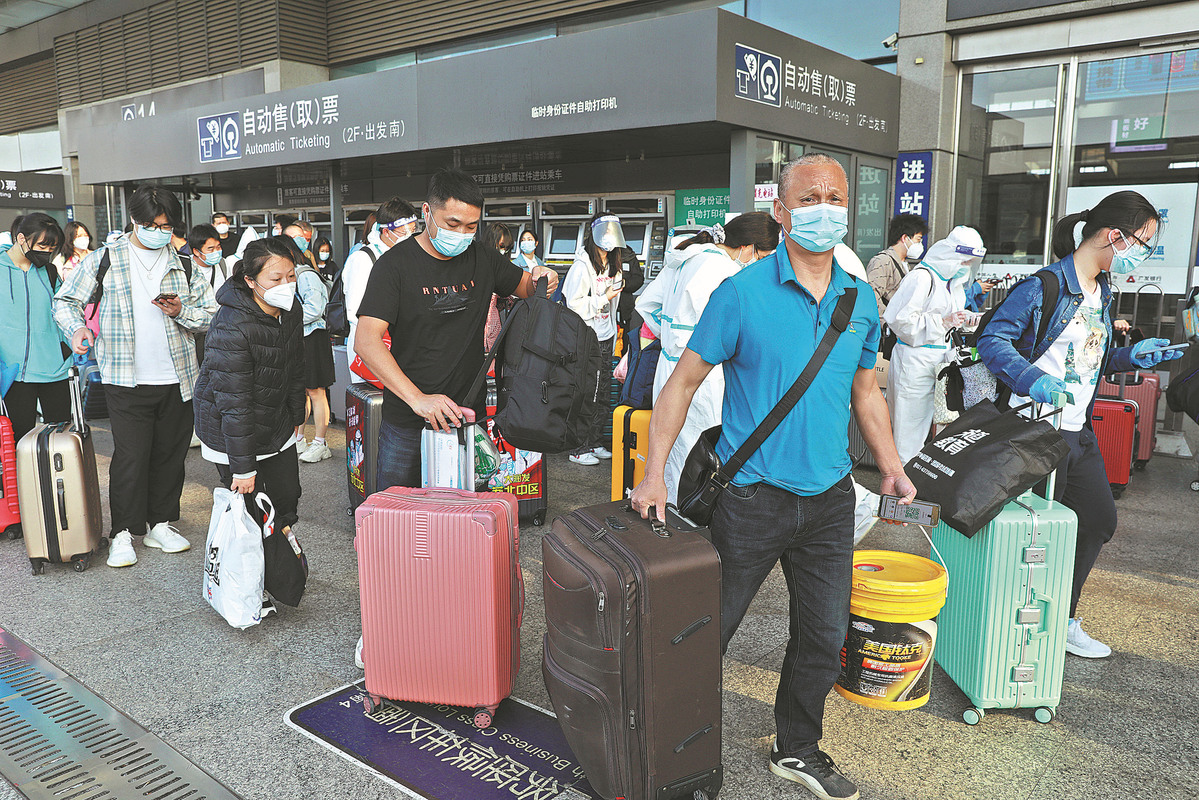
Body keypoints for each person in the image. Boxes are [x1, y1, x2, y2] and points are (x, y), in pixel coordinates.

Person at [630, 154, 915, 800]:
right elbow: (680, 386)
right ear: (781, 212)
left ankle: (798, 749)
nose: (825, 208)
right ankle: (671, 753)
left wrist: (892, 466)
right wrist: (653, 476)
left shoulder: (858, 300)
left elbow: (866, 393)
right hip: (751, 498)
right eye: (809, 198)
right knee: (704, 634)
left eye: (835, 196)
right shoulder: (741, 293)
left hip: (829, 501)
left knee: (822, 635)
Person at [977, 190, 1182, 659]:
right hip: (1034, 430)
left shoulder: (1101, 291)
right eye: (1142, 242)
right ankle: (1010, 627)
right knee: (1027, 536)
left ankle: (1061, 619)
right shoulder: (1043, 286)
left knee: (1097, 520)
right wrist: (1033, 381)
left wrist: (1130, 357)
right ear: (1114, 236)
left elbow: (1088, 360)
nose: (1143, 254)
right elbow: (993, 340)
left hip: (1077, 431)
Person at [354, 167, 559, 489]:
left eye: (471, 227)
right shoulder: (394, 265)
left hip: (466, 416)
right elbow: (366, 341)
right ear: (427, 212)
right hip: (408, 420)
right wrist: (418, 399)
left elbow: (527, 287)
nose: (462, 233)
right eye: (452, 224)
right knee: (397, 510)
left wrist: (543, 277)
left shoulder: (483, 258)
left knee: (463, 512)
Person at [53, 185, 217, 568]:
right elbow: (65, 301)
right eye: (151, 225)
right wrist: (77, 329)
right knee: (131, 456)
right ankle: (123, 532)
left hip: (178, 377)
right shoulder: (105, 259)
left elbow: (211, 314)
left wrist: (181, 312)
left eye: (166, 226)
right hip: (125, 378)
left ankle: (160, 524)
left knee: (170, 455)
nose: (159, 232)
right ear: (134, 220)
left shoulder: (184, 264)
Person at [193, 238, 306, 615]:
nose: (286, 285)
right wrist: (243, 467)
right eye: (276, 278)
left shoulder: (290, 309)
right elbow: (234, 403)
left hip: (275, 422)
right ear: (250, 280)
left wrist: (296, 415)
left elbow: (294, 365)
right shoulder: (231, 326)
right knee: (249, 509)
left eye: (291, 275)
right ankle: (250, 584)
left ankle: (277, 560)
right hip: (231, 432)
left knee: (285, 497)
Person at [635, 212, 780, 502]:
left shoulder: (686, 256)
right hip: (704, 374)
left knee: (672, 451)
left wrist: (671, 335)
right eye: (763, 257)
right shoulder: (722, 269)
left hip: (669, 367)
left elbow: (646, 304)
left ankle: (669, 510)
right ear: (749, 248)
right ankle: (693, 515)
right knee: (702, 455)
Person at [884, 226, 985, 464]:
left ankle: (921, 479)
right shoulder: (922, 278)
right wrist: (943, 322)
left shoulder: (952, 283)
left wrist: (964, 319)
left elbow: (950, 317)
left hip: (941, 362)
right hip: (915, 361)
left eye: (970, 262)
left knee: (938, 428)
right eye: (964, 261)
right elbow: (900, 321)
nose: (966, 267)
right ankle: (902, 483)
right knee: (907, 434)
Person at [1, 213, 70, 444]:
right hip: (11, 372)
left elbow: (64, 310)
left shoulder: (49, 272)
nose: (47, 252)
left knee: (60, 441)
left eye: (51, 248)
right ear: (21, 238)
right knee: (16, 443)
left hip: (55, 369)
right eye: (42, 246)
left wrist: (68, 349)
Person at [563, 213, 625, 466]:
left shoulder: (614, 265)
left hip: (606, 335)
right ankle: (578, 447)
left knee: (602, 392)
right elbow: (573, 303)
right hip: (587, 337)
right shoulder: (582, 266)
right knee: (587, 392)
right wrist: (603, 298)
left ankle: (595, 441)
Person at [342, 197, 419, 371]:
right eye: (404, 232)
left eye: (413, 230)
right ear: (386, 231)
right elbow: (355, 311)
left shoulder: (409, 257)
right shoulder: (363, 259)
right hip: (375, 344)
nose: (409, 237)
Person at [280, 223, 334, 464]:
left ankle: (320, 443)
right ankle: (299, 438)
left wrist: (287, 320)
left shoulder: (305, 275)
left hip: (313, 337)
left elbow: (315, 308)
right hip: (300, 337)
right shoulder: (293, 274)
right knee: (301, 390)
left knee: (316, 391)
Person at [866, 212, 927, 319]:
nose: (920, 245)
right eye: (918, 239)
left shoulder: (905, 264)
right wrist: (885, 323)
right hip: (887, 325)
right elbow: (871, 295)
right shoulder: (882, 261)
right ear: (905, 238)